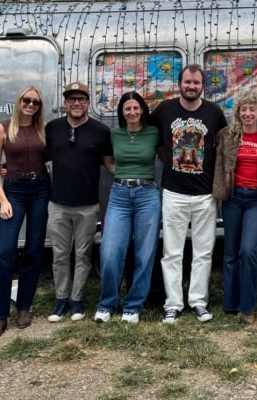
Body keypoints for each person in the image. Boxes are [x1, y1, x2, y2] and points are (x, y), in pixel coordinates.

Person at [150, 64, 227, 324]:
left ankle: (198, 302)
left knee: (203, 252)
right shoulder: (164, 109)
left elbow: (223, 145)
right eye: (187, 82)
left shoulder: (214, 113)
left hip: (205, 195)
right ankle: (173, 304)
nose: (191, 87)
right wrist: (165, 157)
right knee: (172, 252)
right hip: (174, 193)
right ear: (179, 84)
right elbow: (150, 135)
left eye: (196, 83)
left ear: (202, 86)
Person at [46, 82, 113, 323]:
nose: (76, 103)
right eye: (71, 99)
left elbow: (110, 164)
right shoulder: (52, 128)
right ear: (65, 103)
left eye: (81, 99)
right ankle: (61, 299)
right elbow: (39, 158)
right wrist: (9, 167)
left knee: (83, 254)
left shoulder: (100, 131)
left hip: (87, 205)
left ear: (88, 103)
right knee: (60, 255)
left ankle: (77, 300)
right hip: (58, 204)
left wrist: (135, 175)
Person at [0, 86, 51, 339]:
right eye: (27, 100)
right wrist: (3, 200)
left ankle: (24, 306)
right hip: (13, 191)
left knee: (34, 250)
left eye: (36, 102)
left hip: (40, 188)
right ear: (19, 101)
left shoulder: (42, 128)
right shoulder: (3, 128)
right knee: (4, 252)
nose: (31, 104)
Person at [93, 91, 161, 324]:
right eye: (127, 108)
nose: (132, 112)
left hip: (147, 196)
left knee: (145, 253)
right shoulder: (115, 134)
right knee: (109, 252)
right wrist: (125, 174)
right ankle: (107, 304)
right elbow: (108, 162)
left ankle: (133, 306)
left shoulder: (154, 133)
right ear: (121, 112)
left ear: (142, 109)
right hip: (119, 195)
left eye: (135, 108)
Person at [212, 88, 257, 325]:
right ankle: (231, 303)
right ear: (237, 112)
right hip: (233, 198)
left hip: (256, 200)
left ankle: (247, 307)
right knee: (231, 252)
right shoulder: (227, 135)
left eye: (252, 109)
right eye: (243, 109)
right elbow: (217, 163)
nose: (248, 113)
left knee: (248, 250)